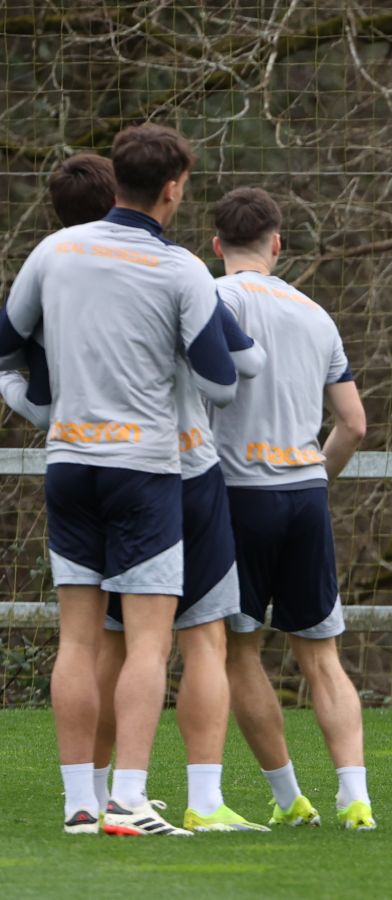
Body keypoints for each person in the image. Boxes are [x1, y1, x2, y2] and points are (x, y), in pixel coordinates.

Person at [2, 155, 270, 834]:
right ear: (174, 188)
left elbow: (9, 344)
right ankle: (129, 798)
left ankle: (79, 806)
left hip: (68, 464)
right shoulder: (179, 267)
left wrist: (39, 404)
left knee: (78, 641)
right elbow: (228, 376)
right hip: (149, 468)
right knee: (157, 642)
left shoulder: (54, 250)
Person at [207, 187, 377, 830]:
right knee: (321, 654)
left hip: (234, 496)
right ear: (277, 243)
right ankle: (355, 796)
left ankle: (288, 799)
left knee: (238, 652)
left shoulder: (209, 300)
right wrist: (314, 476)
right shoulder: (316, 313)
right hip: (304, 493)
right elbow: (355, 425)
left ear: (216, 244)